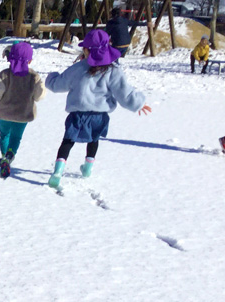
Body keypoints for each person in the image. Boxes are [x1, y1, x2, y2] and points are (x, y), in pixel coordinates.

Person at [44, 29, 151, 189]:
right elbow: (124, 93)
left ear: (87, 50)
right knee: (94, 140)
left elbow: (58, 84)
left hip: (77, 115)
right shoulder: (113, 71)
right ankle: (87, 168)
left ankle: (58, 172)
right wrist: (138, 103)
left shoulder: (79, 68)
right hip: (99, 116)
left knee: (67, 141)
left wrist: (52, 77)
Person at [0, 41, 44, 178]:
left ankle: (4, 156)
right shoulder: (33, 76)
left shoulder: (5, 74)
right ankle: (9, 156)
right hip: (23, 114)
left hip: (5, 113)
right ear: (30, 60)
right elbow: (40, 95)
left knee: (4, 134)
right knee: (16, 137)